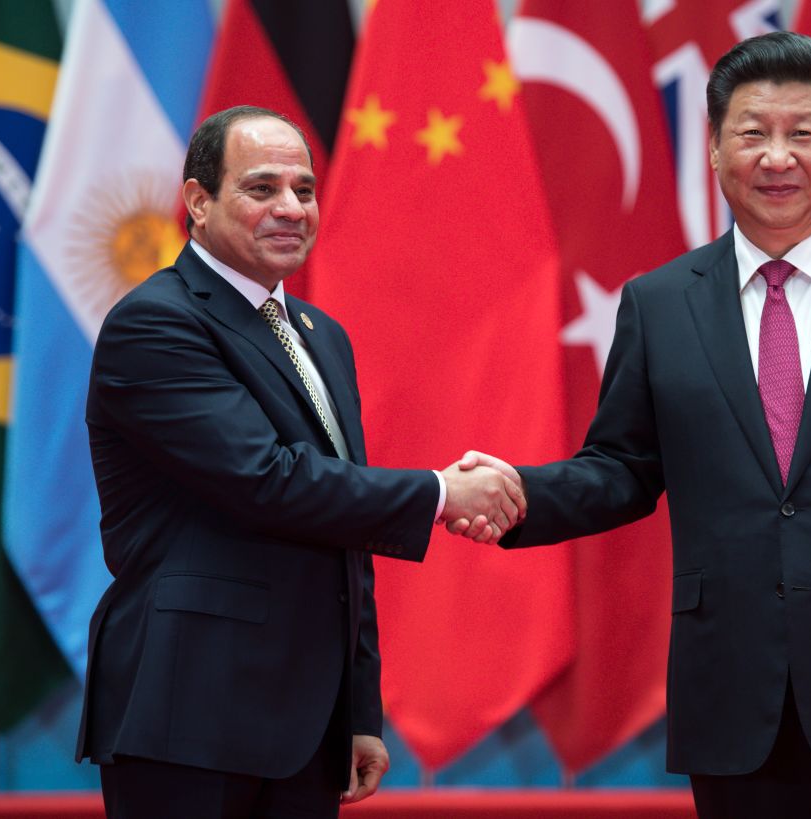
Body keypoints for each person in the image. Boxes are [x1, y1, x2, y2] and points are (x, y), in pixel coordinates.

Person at [454, 32, 811, 819]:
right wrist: (516, 492)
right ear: (716, 150)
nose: (777, 157)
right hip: (735, 693)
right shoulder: (659, 303)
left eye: (803, 132)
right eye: (752, 133)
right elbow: (621, 467)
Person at [75, 105, 524, 819]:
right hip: (190, 715)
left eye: (305, 190)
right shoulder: (156, 321)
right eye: (261, 188)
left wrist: (359, 705)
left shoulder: (319, 334)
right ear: (198, 201)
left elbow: (342, 527)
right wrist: (441, 492)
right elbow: (269, 480)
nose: (291, 208)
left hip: (304, 727)